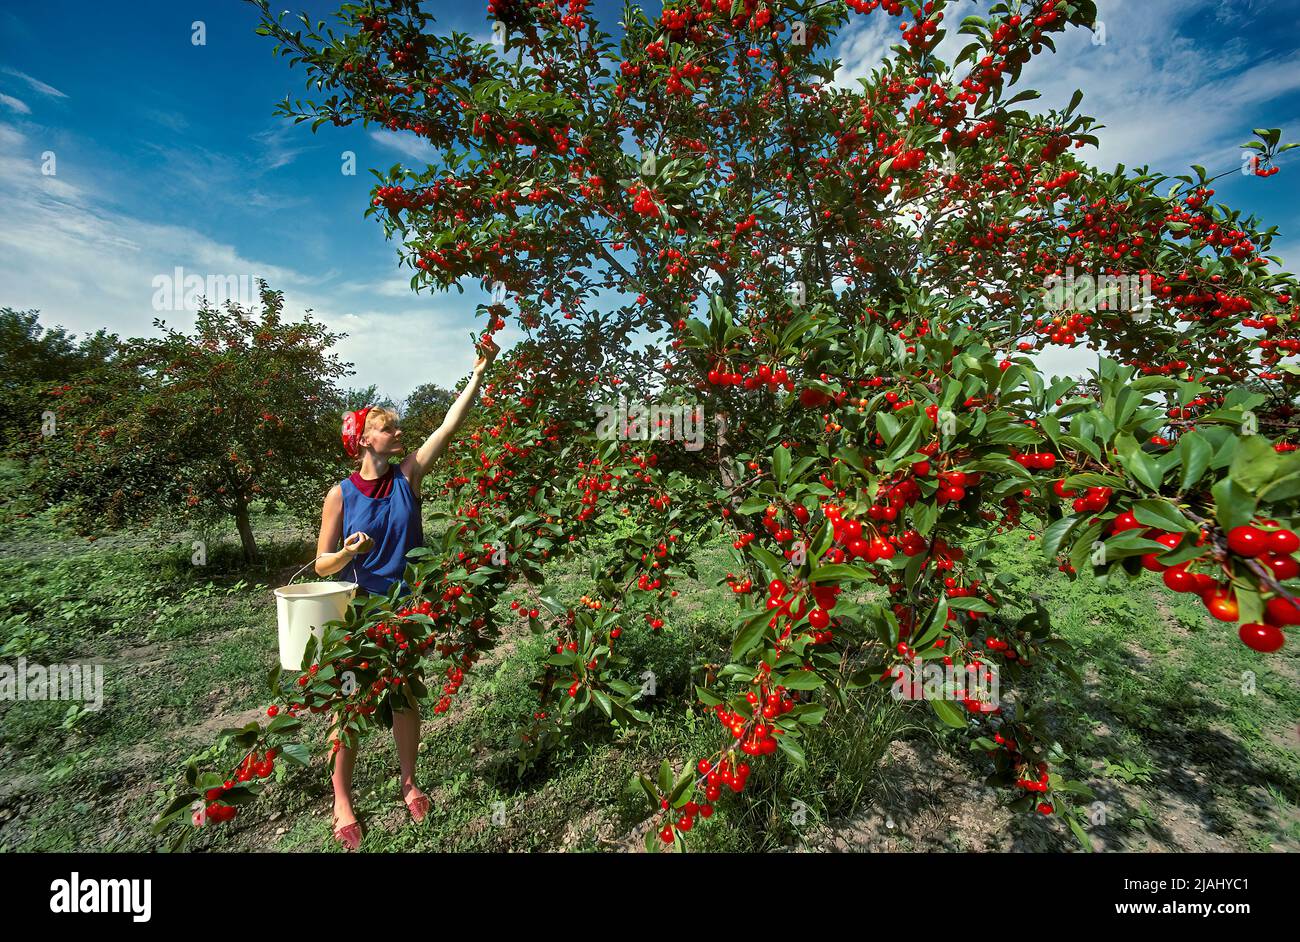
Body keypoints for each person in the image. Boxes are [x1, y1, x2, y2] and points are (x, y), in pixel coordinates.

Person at [313, 335, 498, 849]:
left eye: (396, 426)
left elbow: (449, 425)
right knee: (348, 705)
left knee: (403, 698)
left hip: (407, 610)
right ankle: (342, 799)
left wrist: (478, 375)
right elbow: (322, 563)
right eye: (386, 427)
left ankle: (409, 782)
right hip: (358, 612)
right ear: (364, 441)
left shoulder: (408, 476)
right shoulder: (340, 493)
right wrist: (349, 553)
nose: (398, 431)